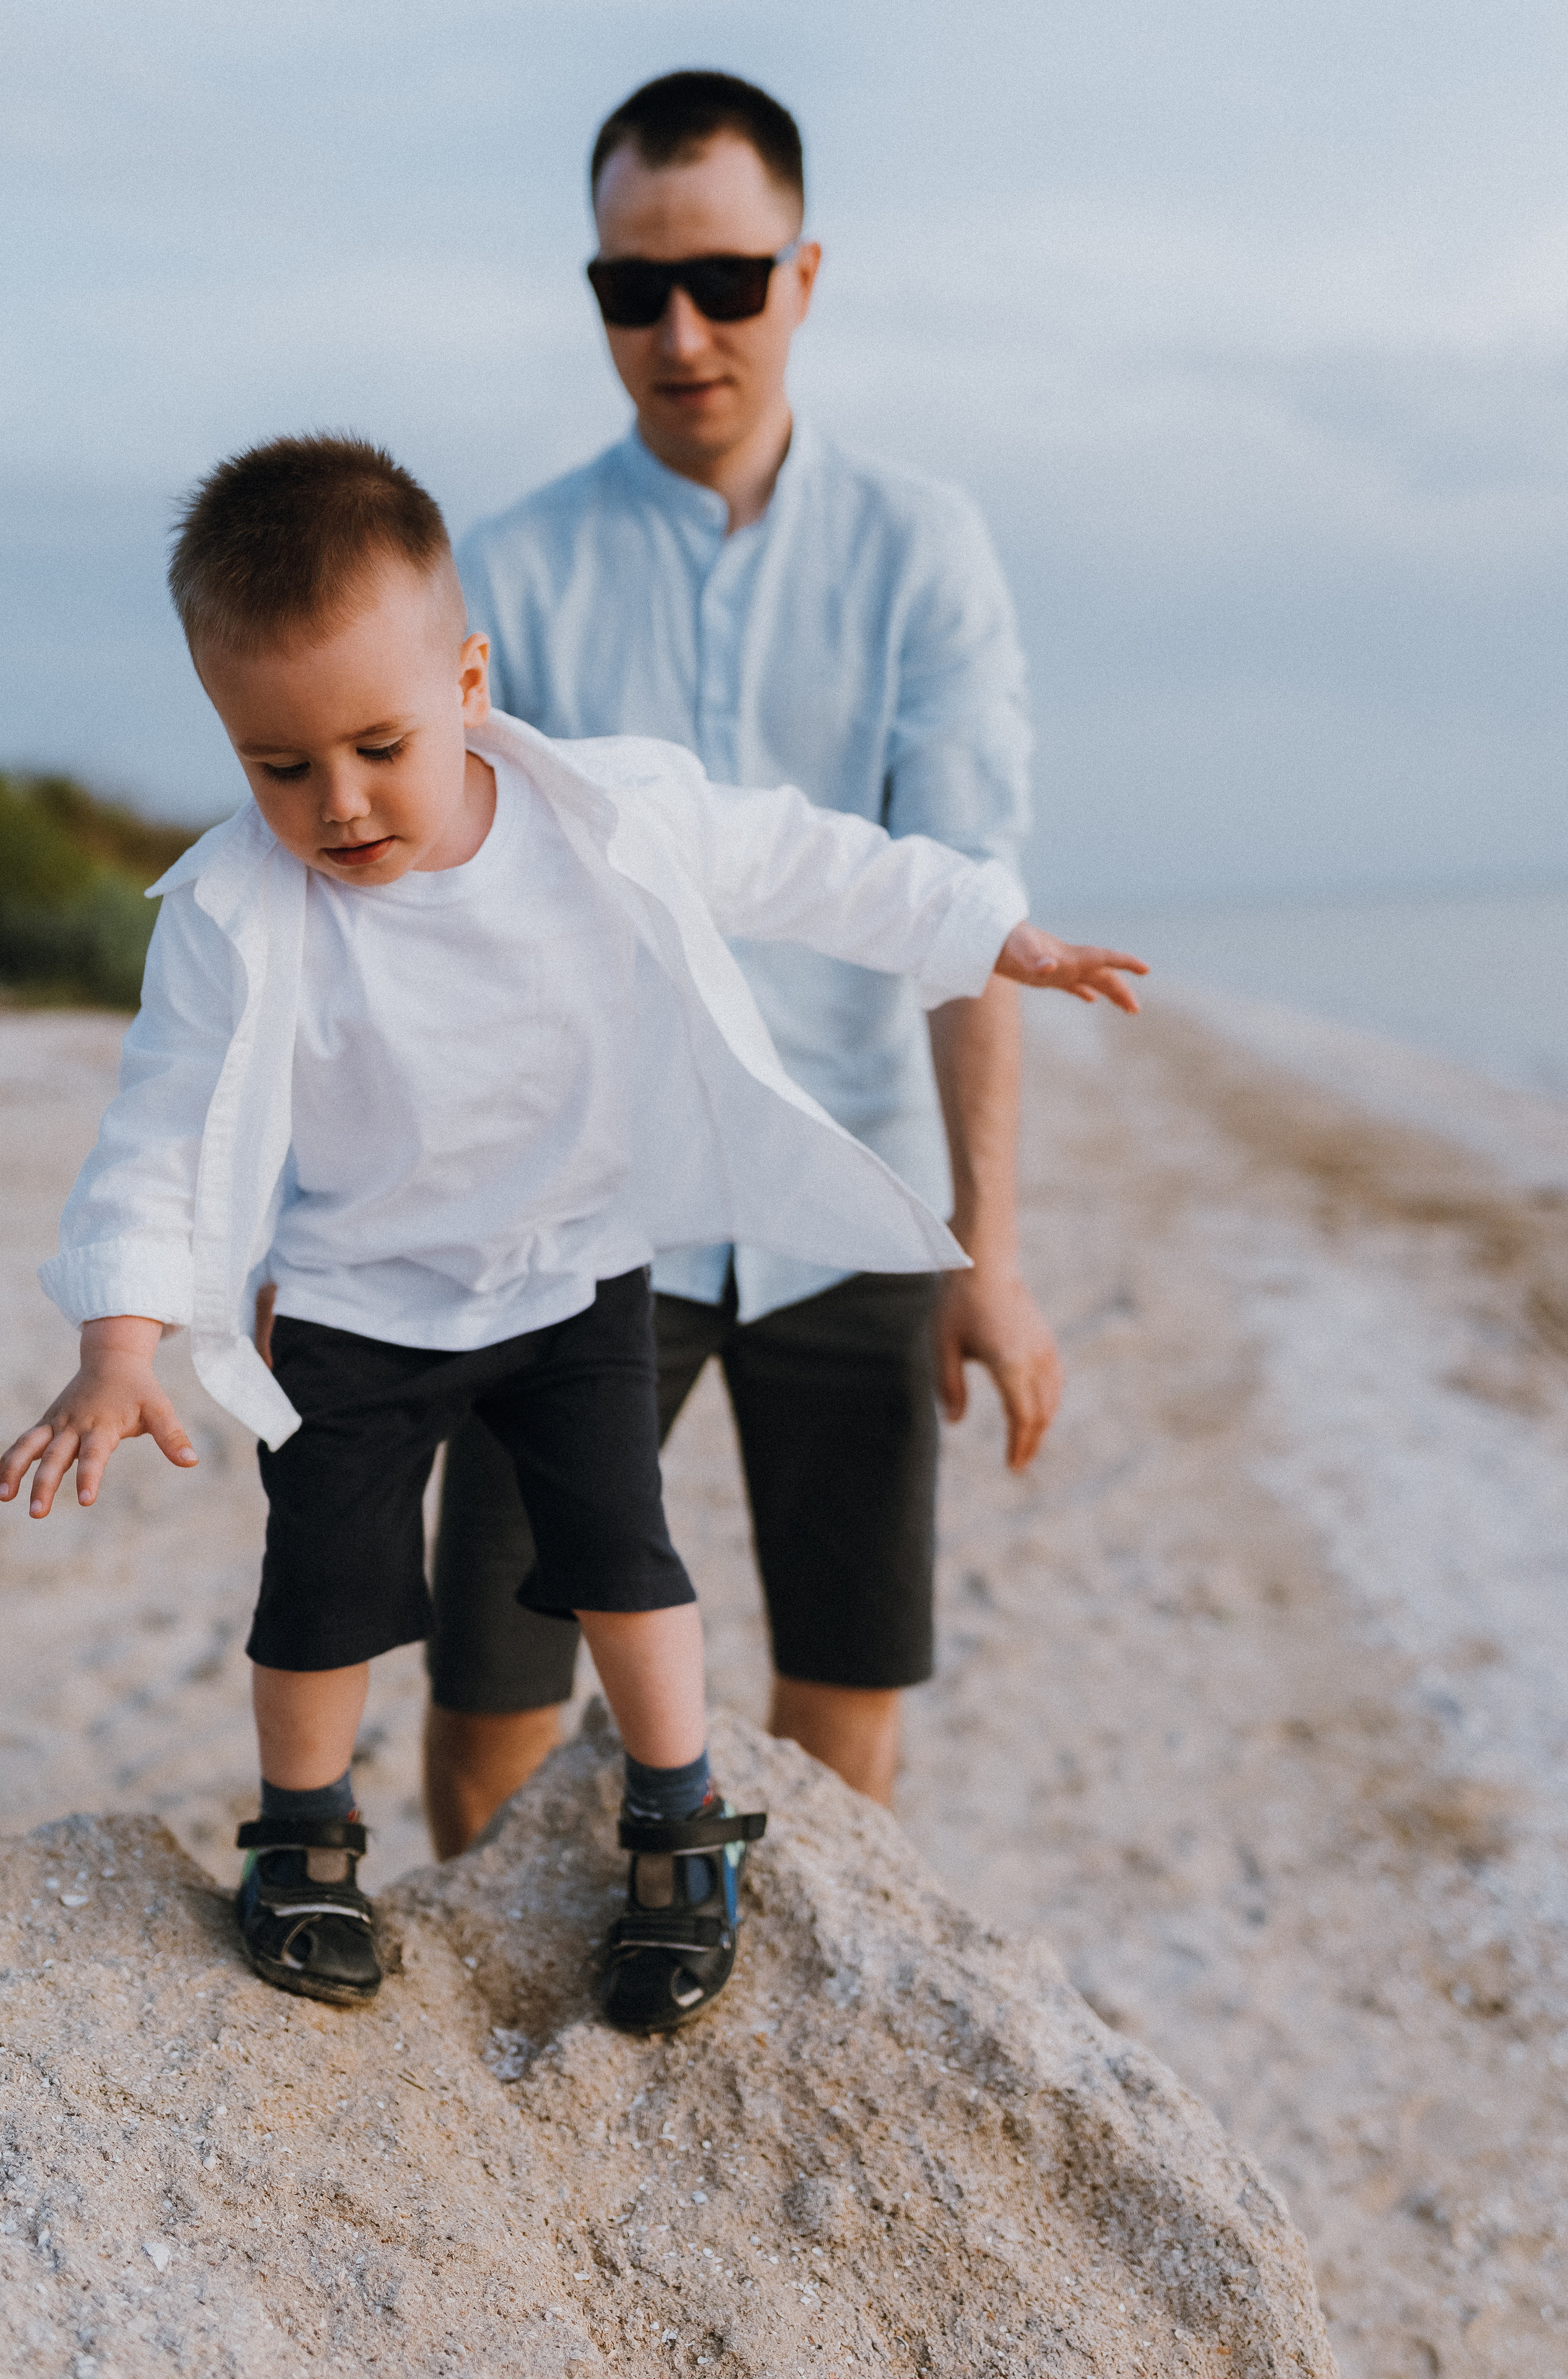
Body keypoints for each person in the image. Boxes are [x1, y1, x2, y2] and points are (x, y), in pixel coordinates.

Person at [0, 434, 1144, 2028]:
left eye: (378, 745)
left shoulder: (604, 813)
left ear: (468, 680)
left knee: (622, 1551)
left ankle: (680, 1828)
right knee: (321, 1585)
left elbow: (802, 857)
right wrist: (120, 1341)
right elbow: (160, 1125)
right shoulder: (233, 914)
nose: (335, 804)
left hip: (571, 1272)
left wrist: (982, 926)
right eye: (278, 766)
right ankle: (303, 1843)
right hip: (354, 1298)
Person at [426, 70, 1063, 1852]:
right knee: (493, 1681)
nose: (683, 330)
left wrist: (990, 1258)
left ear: (805, 272)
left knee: (849, 1678)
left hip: (848, 1182)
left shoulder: (923, 550)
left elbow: (960, 912)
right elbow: (442, 925)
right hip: (575, 1197)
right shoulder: (512, 569)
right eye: (636, 289)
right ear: (600, 298)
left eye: (725, 278)